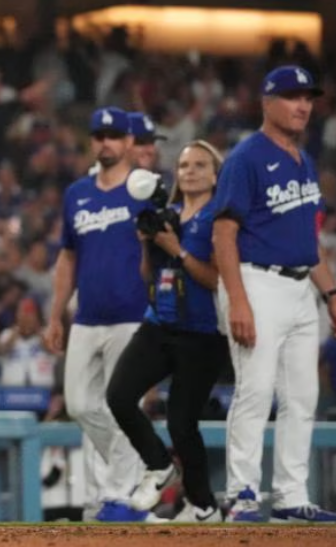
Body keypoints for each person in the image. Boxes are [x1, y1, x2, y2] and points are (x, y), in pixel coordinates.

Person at [213, 65, 336, 523]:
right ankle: (241, 494)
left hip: (300, 288)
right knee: (254, 390)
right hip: (257, 280)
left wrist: (332, 294)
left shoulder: (303, 158)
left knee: (302, 396)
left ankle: (292, 496)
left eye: (308, 98)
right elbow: (223, 233)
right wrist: (237, 298)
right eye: (292, 96)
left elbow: (305, 239)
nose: (302, 105)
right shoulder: (246, 157)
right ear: (267, 102)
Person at [105, 140, 229, 523]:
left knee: (181, 422)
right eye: (184, 165)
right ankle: (159, 466)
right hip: (159, 320)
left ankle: (203, 505)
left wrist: (177, 249)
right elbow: (149, 276)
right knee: (119, 395)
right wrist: (149, 246)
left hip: (202, 331)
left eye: (199, 165)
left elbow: (216, 280)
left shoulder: (219, 219)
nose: (189, 171)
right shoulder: (167, 213)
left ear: (214, 174)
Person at [43, 107, 150, 522]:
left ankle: (119, 494)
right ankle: (144, 467)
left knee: (123, 404)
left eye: (113, 135)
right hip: (87, 316)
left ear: (128, 142)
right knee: (80, 404)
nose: (105, 142)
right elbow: (67, 257)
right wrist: (56, 316)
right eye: (98, 135)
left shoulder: (144, 191)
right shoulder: (77, 193)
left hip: (132, 315)